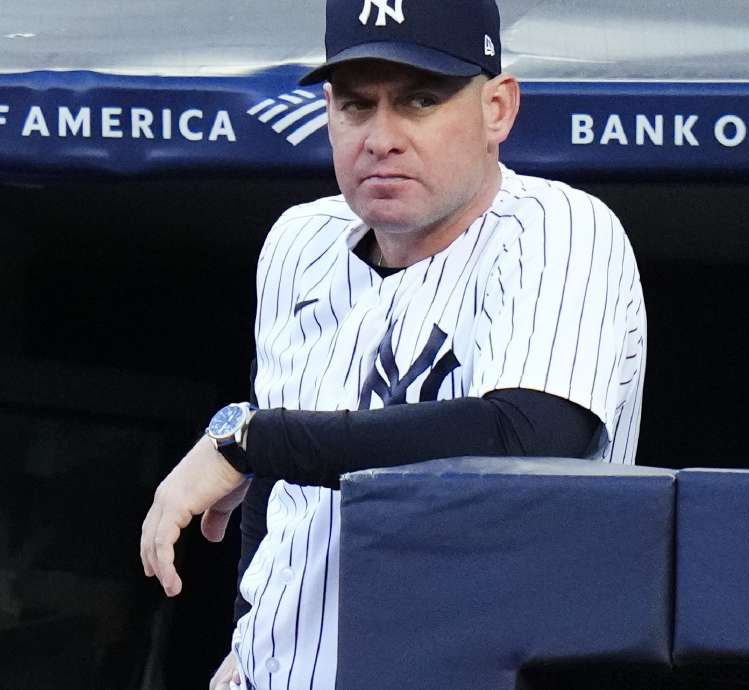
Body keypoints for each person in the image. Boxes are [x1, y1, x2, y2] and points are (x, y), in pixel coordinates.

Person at [139, 1, 646, 688]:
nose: (382, 136)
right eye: (355, 106)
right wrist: (255, 632)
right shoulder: (299, 242)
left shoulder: (557, 228)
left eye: (419, 100)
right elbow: (276, 492)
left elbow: (529, 436)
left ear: (497, 108)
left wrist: (250, 441)